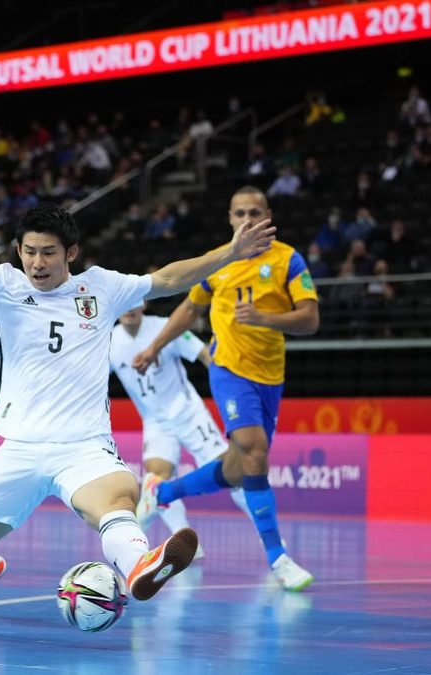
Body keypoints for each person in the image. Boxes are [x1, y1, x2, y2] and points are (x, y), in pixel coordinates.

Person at [0, 190, 276, 620]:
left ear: (72, 252)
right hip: (20, 448)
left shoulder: (100, 288)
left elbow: (170, 279)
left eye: (49, 253)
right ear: (18, 251)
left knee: (119, 500)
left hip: (84, 445)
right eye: (30, 252)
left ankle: (141, 564)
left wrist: (230, 252)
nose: (38, 263)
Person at [132, 185, 319, 592]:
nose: (247, 220)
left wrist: (265, 319)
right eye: (239, 214)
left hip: (270, 375)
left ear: (268, 215)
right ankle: (278, 556)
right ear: (230, 219)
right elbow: (189, 309)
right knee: (253, 450)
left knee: (237, 469)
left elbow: (310, 320)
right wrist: (153, 346)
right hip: (228, 370)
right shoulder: (219, 263)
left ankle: (162, 491)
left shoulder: (289, 259)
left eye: (255, 212)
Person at [109, 305, 252, 555]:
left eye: (135, 302)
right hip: (155, 421)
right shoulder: (109, 341)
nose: (130, 308)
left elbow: (205, 355)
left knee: (232, 474)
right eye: (125, 302)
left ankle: (267, 538)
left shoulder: (166, 326)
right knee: (156, 478)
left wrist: (231, 388)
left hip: (187, 412)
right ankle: (188, 544)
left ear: (143, 304)